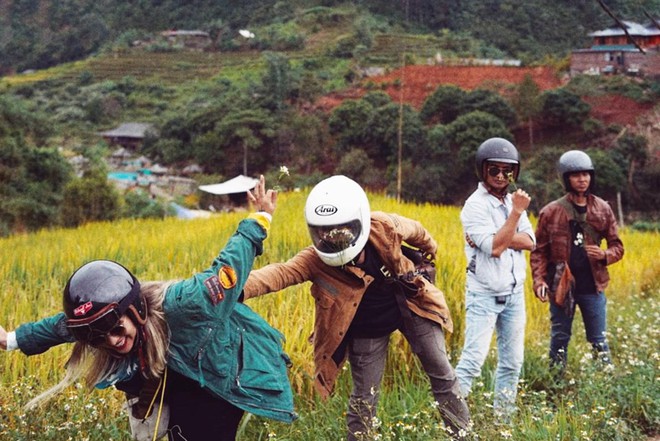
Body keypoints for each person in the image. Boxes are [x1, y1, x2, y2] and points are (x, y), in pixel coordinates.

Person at [0, 175, 297, 441]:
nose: (112, 341)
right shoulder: (96, 327)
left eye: (116, 330)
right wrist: (11, 339)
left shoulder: (187, 303)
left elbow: (230, 266)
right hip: (173, 369)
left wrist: (260, 218)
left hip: (215, 369)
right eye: (100, 339)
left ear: (135, 311)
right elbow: (58, 327)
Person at [243, 175, 471, 440]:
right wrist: (231, 286)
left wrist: (429, 251)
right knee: (365, 399)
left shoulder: (384, 226)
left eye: (342, 230)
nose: (333, 238)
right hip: (366, 325)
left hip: (411, 304)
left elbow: (418, 231)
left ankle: (462, 435)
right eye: (324, 232)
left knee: (443, 375)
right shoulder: (314, 259)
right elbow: (278, 274)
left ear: (360, 222)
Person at [454, 137, 535, 419]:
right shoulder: (474, 206)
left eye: (507, 171)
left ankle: (504, 421)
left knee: (512, 363)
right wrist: (515, 215)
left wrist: (498, 236)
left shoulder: (513, 201)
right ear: (482, 170)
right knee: (472, 362)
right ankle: (451, 421)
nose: (501, 176)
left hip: (514, 294)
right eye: (494, 170)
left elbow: (529, 241)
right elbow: (496, 248)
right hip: (484, 294)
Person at [530, 150, 624, 371]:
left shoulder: (603, 208)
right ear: (566, 178)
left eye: (586, 174)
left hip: (593, 285)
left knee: (599, 340)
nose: (582, 179)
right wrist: (539, 281)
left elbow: (617, 246)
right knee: (560, 338)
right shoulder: (550, 212)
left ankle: (606, 383)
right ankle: (555, 383)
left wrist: (605, 255)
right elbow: (539, 252)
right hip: (562, 285)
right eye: (576, 175)